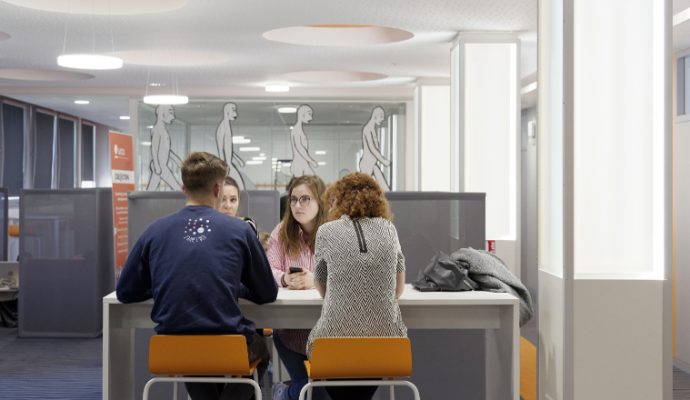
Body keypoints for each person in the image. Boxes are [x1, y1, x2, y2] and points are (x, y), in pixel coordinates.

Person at [116, 151, 277, 400]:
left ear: (183, 187)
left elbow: (125, 292)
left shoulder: (155, 230)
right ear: (217, 188)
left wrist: (160, 287)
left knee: (196, 356)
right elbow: (267, 293)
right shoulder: (239, 230)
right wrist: (235, 288)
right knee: (261, 349)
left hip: (174, 346)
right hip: (228, 345)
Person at [307, 172, 407, 400]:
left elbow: (322, 288)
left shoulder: (326, 232)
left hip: (332, 350)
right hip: (385, 348)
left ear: (337, 200)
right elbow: (397, 290)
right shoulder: (388, 230)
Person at [266, 175, 329, 400]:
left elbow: (345, 274)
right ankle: (285, 392)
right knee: (313, 393)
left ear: (320, 201)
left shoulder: (334, 233)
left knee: (321, 394)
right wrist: (283, 278)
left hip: (327, 335)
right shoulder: (282, 231)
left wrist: (316, 280)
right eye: (293, 199)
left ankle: (285, 393)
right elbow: (266, 269)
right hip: (290, 334)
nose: (297, 205)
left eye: (305, 199)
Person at [147, 104, 182, 191]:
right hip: (160, 166)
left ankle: (142, 203)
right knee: (178, 189)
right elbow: (154, 149)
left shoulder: (163, 130)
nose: (173, 117)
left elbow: (166, 150)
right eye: (170, 113)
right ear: (162, 114)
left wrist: (176, 160)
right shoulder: (157, 130)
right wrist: (157, 166)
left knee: (150, 190)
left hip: (160, 166)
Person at [359, 106, 391, 191]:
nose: (382, 120)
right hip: (367, 165)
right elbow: (372, 149)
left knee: (386, 190)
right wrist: (383, 161)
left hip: (372, 164)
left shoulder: (372, 129)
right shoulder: (367, 129)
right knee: (364, 192)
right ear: (375, 116)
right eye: (381, 117)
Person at [216, 102, 246, 189]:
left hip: (229, 164)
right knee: (240, 188)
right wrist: (223, 166)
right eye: (233, 110)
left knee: (240, 188)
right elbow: (221, 149)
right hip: (227, 165)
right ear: (227, 112)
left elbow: (228, 148)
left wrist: (238, 159)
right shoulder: (222, 127)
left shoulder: (227, 125)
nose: (235, 113)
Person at [290, 105, 318, 177]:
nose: (311, 118)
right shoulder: (296, 130)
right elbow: (299, 147)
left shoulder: (299, 129)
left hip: (303, 163)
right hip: (299, 165)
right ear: (302, 114)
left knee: (314, 183)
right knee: (312, 182)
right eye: (309, 114)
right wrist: (311, 161)